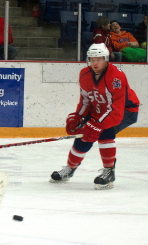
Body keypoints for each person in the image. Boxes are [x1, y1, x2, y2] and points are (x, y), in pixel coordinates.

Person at [50, 43, 140, 190]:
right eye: (92, 59)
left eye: (99, 59)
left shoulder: (116, 77)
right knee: (83, 135)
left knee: (105, 131)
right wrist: (77, 117)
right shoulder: (84, 74)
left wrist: (97, 124)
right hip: (100, 110)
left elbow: (115, 111)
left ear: (106, 60)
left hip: (125, 110)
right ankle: (70, 168)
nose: (95, 63)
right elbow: (85, 100)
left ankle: (109, 171)